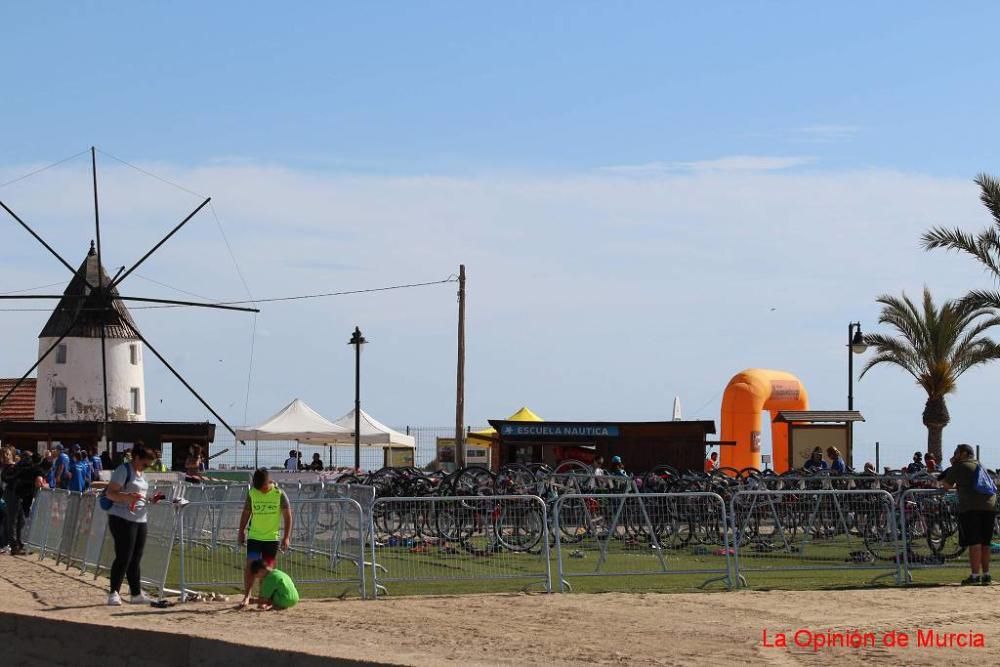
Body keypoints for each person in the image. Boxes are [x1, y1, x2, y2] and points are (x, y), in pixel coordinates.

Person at [104, 443, 164, 605]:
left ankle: (136, 593)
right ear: (136, 458)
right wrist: (127, 497)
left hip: (140, 517)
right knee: (124, 555)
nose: (147, 467)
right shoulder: (123, 470)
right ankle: (113, 592)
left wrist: (151, 499)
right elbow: (110, 493)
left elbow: (140, 494)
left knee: (136, 557)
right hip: (122, 517)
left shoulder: (141, 474)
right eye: (145, 463)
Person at [940, 443, 996, 585]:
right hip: (989, 505)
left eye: (956, 453)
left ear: (964, 453)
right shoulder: (979, 464)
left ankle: (975, 575)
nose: (954, 456)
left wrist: (953, 466)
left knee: (974, 542)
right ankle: (987, 575)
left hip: (971, 506)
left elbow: (946, 485)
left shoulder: (960, 466)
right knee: (986, 543)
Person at [237, 468, 293, 609]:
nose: (260, 490)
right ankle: (247, 596)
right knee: (250, 567)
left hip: (271, 539)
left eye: (262, 487)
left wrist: (286, 537)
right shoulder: (252, 493)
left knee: (267, 571)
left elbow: (288, 517)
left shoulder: (279, 494)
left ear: (268, 482)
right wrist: (241, 531)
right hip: (254, 537)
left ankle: (265, 598)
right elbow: (246, 513)